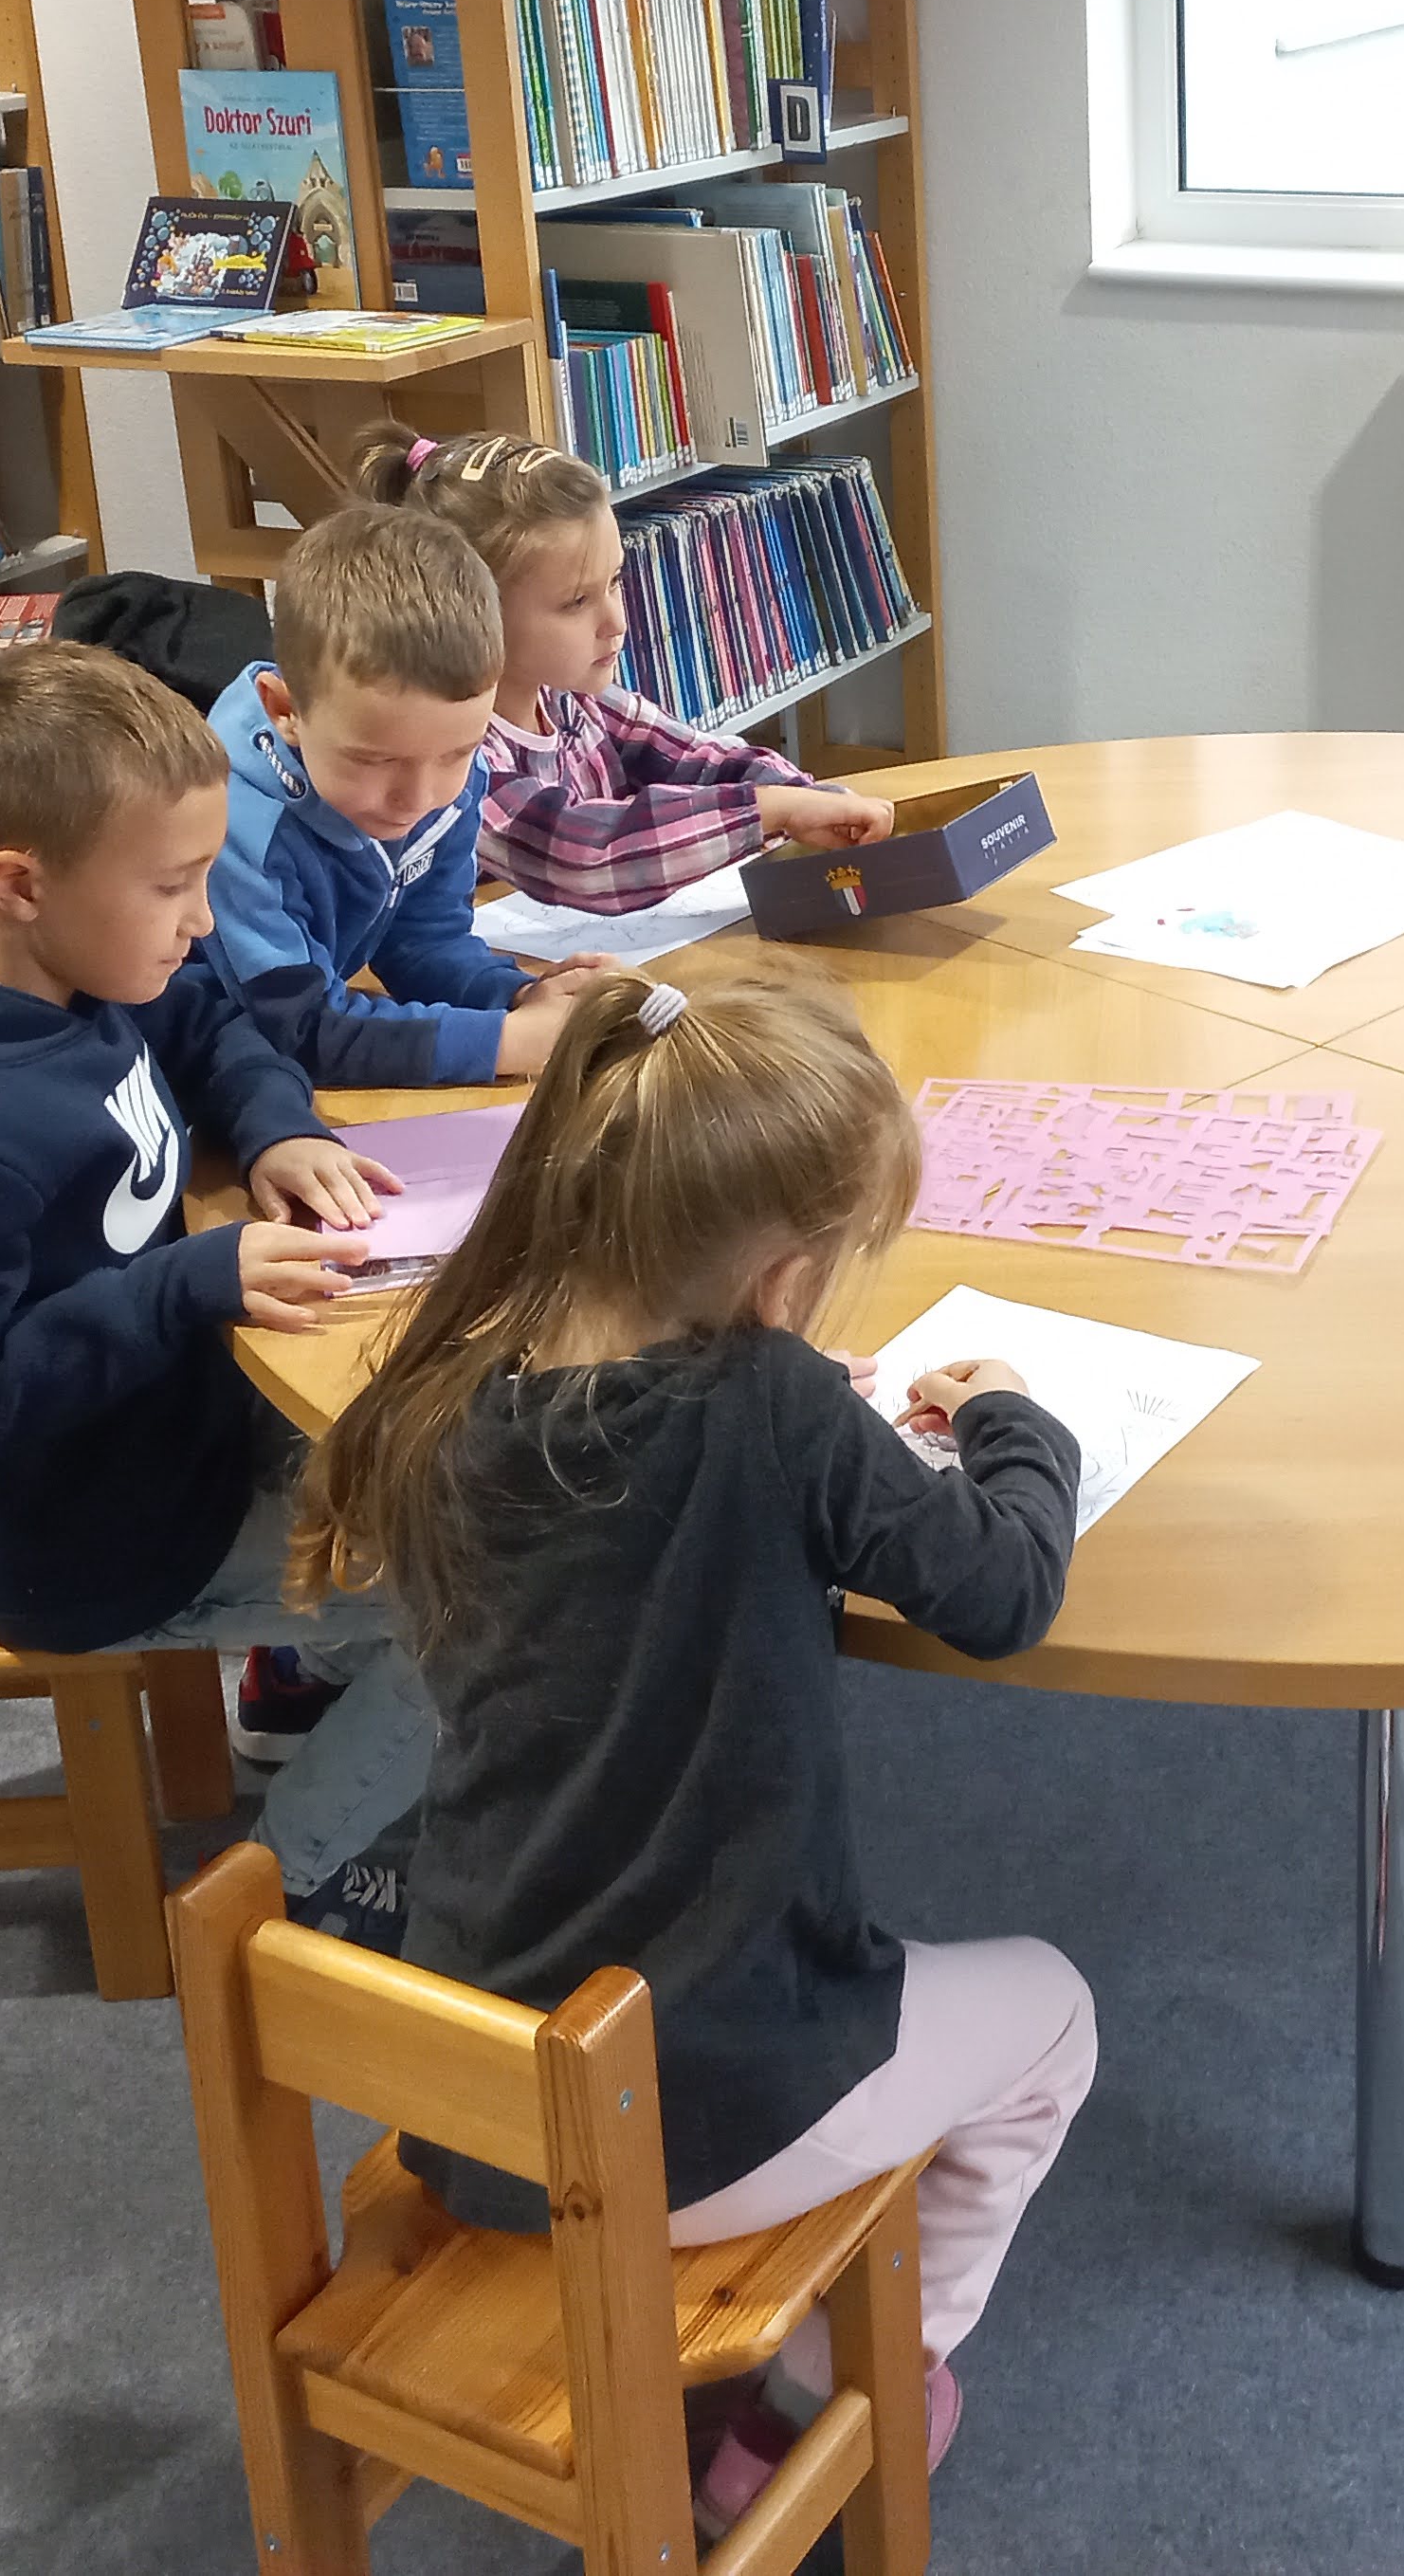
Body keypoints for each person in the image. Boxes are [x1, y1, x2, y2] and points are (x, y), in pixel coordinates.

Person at [299, 966, 1092, 2532]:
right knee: (1053, 2017)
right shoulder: (772, 1405)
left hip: (471, 2086)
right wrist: (1014, 1420)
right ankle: (805, 2411)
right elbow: (1003, 1590)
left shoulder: (453, 1382)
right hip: (685, 2115)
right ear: (786, 1274)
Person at [0, 639, 428, 1947]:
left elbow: (205, 1019)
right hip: (100, 1546)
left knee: (446, 1450)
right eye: (172, 886)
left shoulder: (69, 971)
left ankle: (299, 1685)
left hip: (181, 1436)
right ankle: (284, 1886)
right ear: (20, 884)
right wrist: (182, 1284)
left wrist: (274, 1127)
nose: (201, 920)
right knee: (489, 1603)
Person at [363, 423, 893, 910]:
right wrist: (767, 812)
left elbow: (702, 757)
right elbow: (582, 856)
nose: (616, 621)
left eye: (614, 582)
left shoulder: (574, 700)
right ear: (475, 613)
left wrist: (806, 796)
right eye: (576, 602)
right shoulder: (450, 755)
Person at [199, 496, 622, 1077]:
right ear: (284, 710)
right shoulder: (233, 823)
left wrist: (521, 997)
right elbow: (298, 1029)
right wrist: (504, 1043)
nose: (419, 798)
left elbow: (424, 943)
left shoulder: (446, 782)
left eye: (458, 752)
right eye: (375, 761)